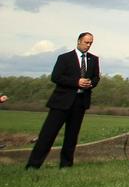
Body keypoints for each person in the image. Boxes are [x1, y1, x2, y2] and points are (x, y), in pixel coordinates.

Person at [26, 32, 99, 169]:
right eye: (86, 42)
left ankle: (66, 165)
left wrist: (91, 83)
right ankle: (33, 165)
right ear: (78, 41)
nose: (88, 45)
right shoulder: (65, 58)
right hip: (61, 102)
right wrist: (76, 82)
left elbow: (96, 78)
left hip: (80, 102)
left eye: (90, 43)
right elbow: (56, 77)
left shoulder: (93, 59)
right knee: (48, 134)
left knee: (71, 136)